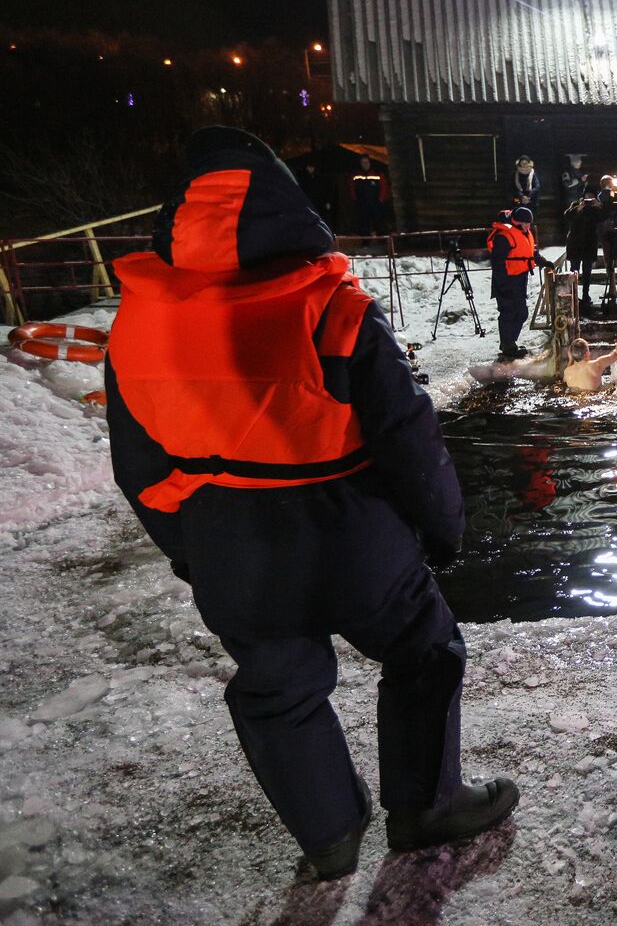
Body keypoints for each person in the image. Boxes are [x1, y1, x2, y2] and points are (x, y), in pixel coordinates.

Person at [105, 127, 519, 882]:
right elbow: (408, 437)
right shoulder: (334, 309)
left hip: (229, 536)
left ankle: (328, 835)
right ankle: (426, 806)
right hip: (348, 530)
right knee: (424, 650)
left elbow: (136, 464)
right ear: (291, 210)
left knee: (275, 687)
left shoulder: (137, 324)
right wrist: (442, 528)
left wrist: (192, 551)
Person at [490, 206, 543, 359]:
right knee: (508, 312)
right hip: (506, 280)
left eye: (529, 224)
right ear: (516, 221)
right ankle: (508, 345)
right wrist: (503, 285)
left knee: (521, 312)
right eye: (525, 223)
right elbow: (497, 263)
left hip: (519, 279)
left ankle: (509, 342)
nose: (528, 226)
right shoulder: (504, 236)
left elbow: (530, 253)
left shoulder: (523, 233)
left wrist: (544, 262)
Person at [564, 180, 605, 307]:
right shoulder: (576, 204)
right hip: (575, 242)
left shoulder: (596, 208)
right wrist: (578, 209)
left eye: (592, 196)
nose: (589, 198)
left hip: (589, 242)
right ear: (584, 196)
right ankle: (573, 295)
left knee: (587, 271)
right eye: (587, 195)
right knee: (574, 270)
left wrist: (599, 207)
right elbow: (567, 216)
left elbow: (603, 219)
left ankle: (585, 295)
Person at [563, 320, 617, 392]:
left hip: (575, 400)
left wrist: (570, 360)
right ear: (586, 354)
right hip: (594, 399)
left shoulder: (567, 372)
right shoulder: (597, 364)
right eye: (588, 349)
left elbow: (564, 379)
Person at [597, 176, 617, 305]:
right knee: (608, 261)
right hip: (606, 232)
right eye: (604, 183)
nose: (608, 185)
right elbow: (601, 211)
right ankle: (612, 288)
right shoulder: (601, 196)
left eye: (609, 182)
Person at [350, 155, 389, 236]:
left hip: (375, 202)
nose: (365, 164)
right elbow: (351, 187)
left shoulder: (377, 173)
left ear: (370, 163)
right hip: (362, 203)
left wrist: (381, 199)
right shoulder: (355, 174)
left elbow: (384, 186)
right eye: (363, 162)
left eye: (366, 162)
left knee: (379, 222)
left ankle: (382, 241)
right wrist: (355, 199)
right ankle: (365, 242)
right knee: (363, 223)